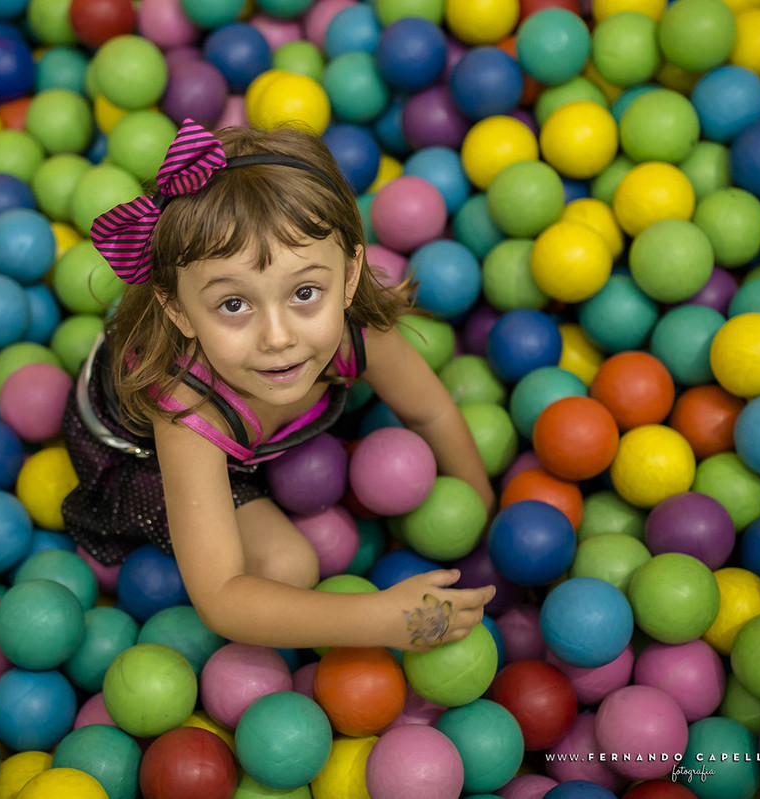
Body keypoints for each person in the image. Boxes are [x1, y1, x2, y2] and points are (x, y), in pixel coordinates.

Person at [62, 119, 497, 652]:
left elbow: (430, 414)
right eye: (234, 304)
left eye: (305, 291)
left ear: (351, 273)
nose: (277, 337)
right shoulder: (185, 407)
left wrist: (482, 510)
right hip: (137, 453)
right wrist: (379, 619)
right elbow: (221, 596)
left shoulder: (357, 333)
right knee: (290, 565)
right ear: (178, 308)